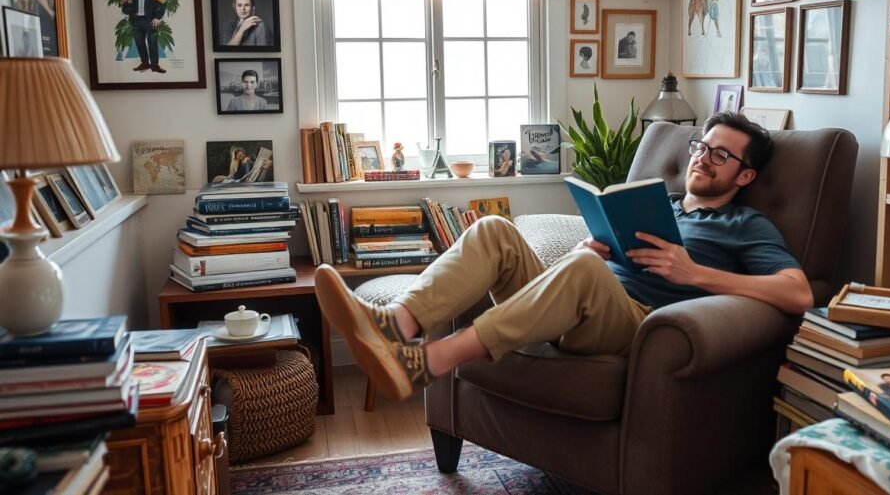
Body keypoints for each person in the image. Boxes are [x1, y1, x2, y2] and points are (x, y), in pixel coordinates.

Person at [317, 111, 815, 401]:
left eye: (720, 155)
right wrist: (581, 250)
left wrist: (695, 273)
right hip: (578, 303)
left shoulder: (745, 224)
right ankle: (396, 324)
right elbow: (585, 267)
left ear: (745, 175)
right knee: (494, 230)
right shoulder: (655, 203)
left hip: (637, 324)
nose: (703, 158)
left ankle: (427, 362)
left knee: (583, 270)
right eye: (701, 146)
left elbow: (799, 293)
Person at [120, 0, 166, 73]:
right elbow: (127, 9)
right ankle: (145, 63)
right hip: (137, 21)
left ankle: (154, 65)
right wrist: (125, 2)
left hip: (151, 20)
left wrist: (158, 18)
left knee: (152, 43)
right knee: (139, 43)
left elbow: (161, 5)